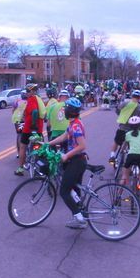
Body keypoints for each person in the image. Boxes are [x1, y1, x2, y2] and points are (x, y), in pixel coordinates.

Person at [48, 97, 88, 229]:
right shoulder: (73, 123)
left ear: (69, 111)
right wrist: (47, 144)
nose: (64, 110)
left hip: (76, 161)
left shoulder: (75, 125)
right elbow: (63, 137)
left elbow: (82, 146)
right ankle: (80, 216)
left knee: (64, 191)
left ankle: (79, 218)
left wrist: (66, 155)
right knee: (75, 189)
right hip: (78, 161)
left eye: (65, 108)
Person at [15, 83, 46, 176]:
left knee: (23, 147)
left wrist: (33, 125)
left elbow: (35, 112)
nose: (26, 93)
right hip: (39, 129)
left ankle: (20, 169)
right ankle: (39, 168)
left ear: (32, 92)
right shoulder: (40, 100)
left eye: (28, 91)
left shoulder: (32, 100)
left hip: (29, 129)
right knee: (39, 148)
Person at [109, 89, 140, 163]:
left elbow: (117, 110)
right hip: (133, 130)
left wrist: (122, 116)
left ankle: (112, 156)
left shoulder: (125, 102)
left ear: (132, 96)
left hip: (122, 127)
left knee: (116, 141)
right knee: (131, 145)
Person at [12, 90, 28, 158]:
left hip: (18, 121)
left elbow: (13, 111)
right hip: (26, 121)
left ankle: (19, 152)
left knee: (19, 135)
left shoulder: (17, 102)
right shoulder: (29, 102)